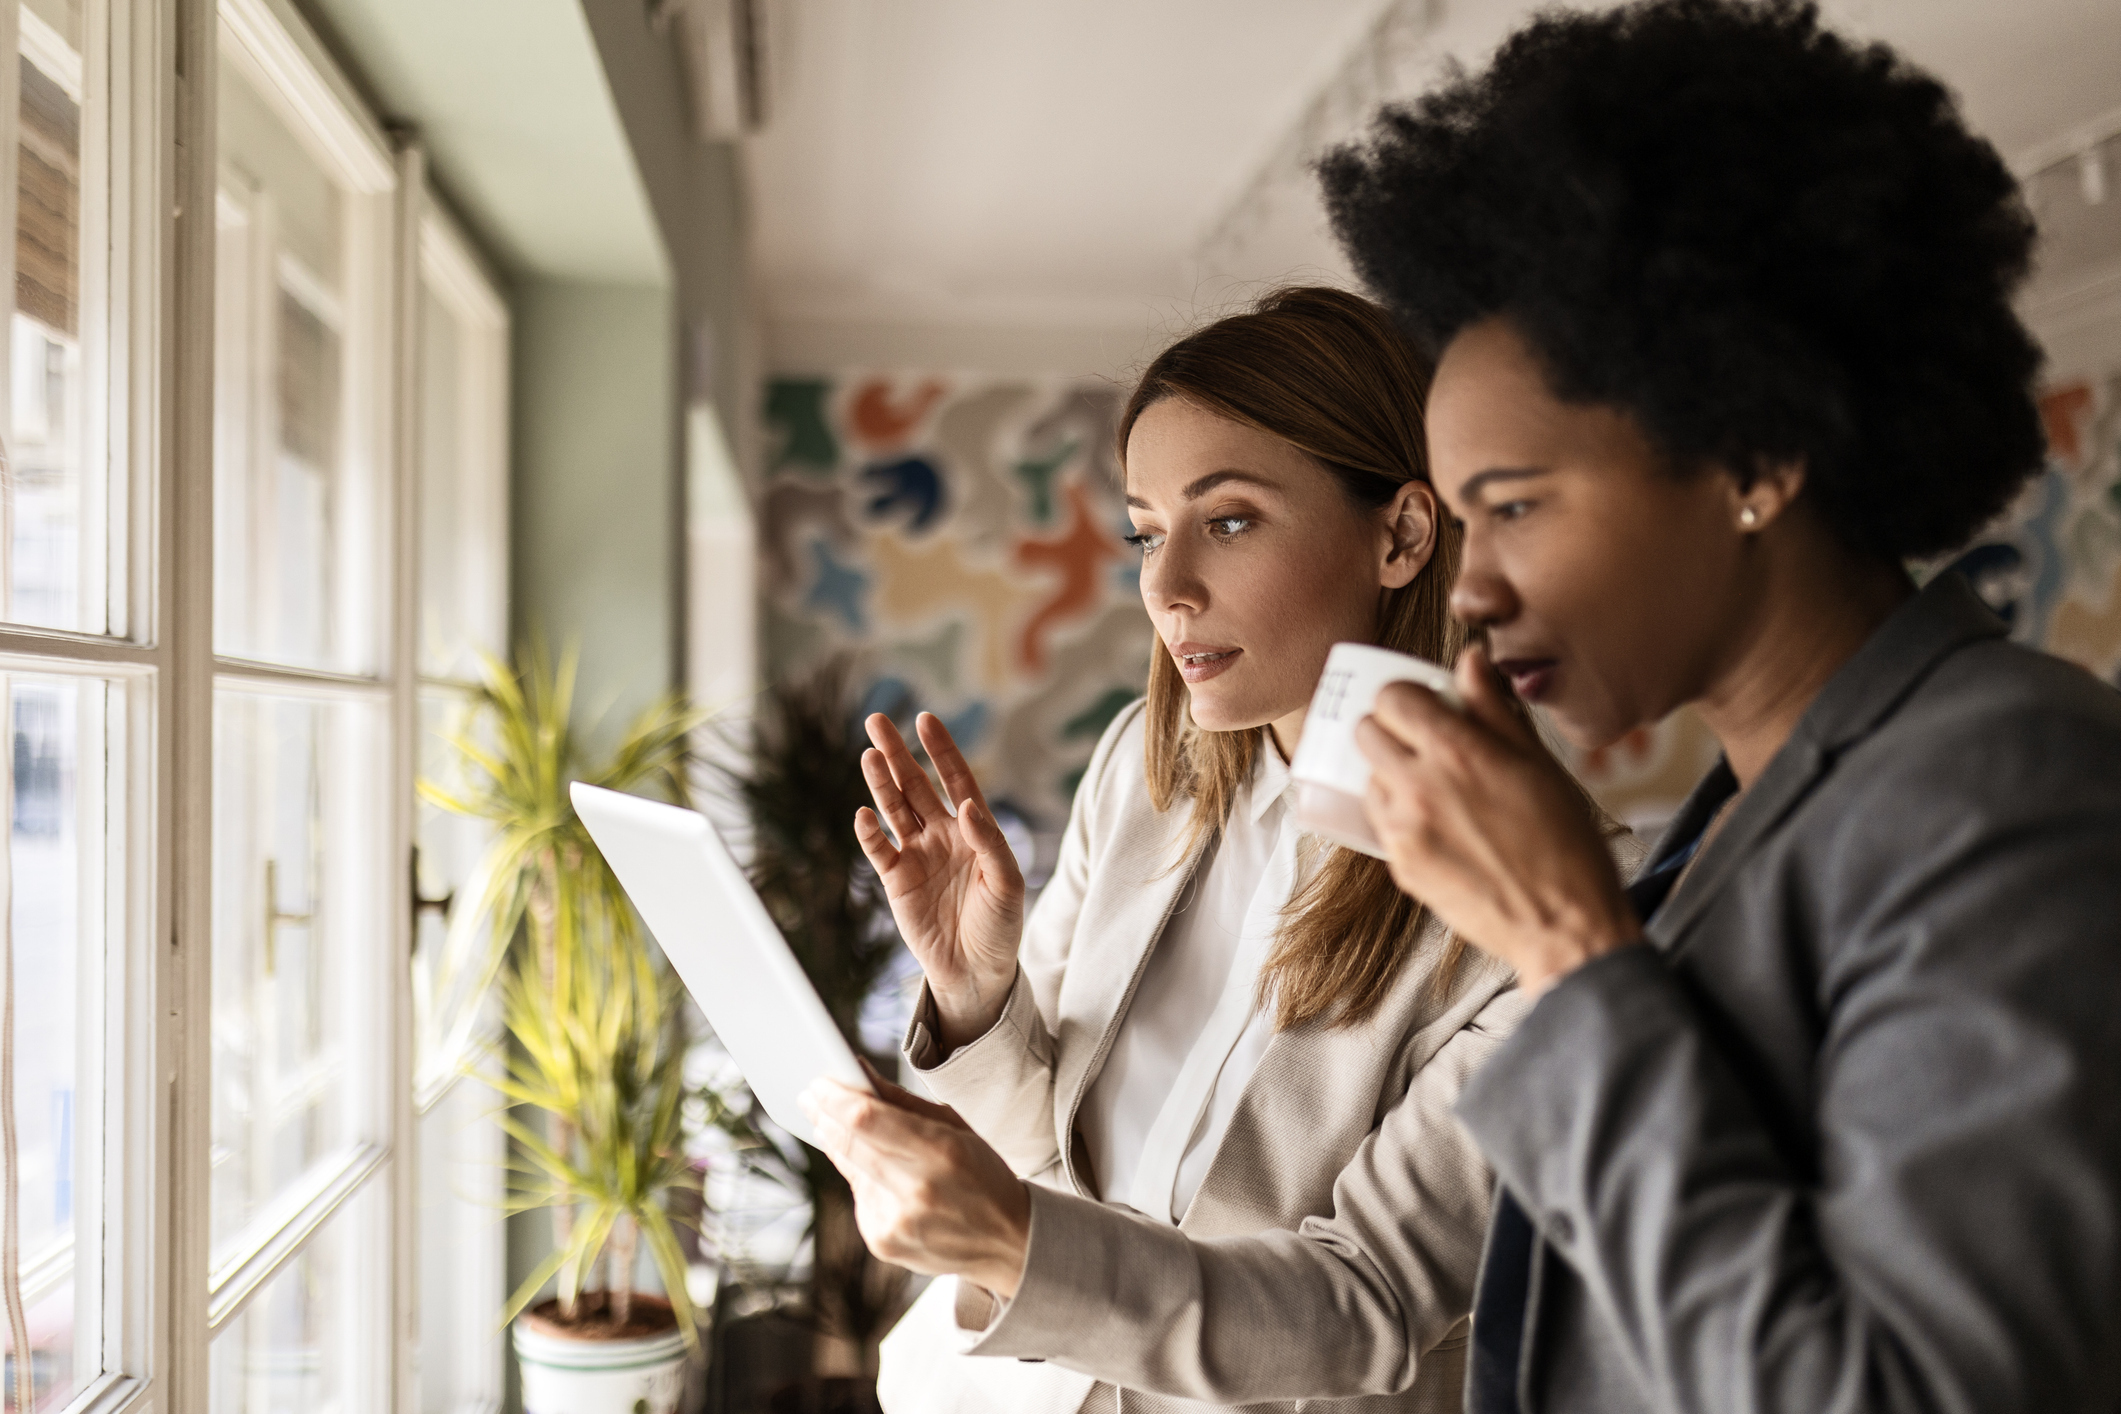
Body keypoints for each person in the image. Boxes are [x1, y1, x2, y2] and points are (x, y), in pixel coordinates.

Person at [1313, 1, 2121, 1410]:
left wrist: (1564, 949)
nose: (1468, 590)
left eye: (1512, 506)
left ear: (1752, 456)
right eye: (1456, 520)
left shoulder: (2010, 782)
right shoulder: (1735, 823)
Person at [800, 286, 1639, 1414]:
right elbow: (1042, 1161)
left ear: (1400, 535)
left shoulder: (1564, 899)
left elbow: (1370, 1308)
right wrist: (977, 998)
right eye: (1148, 529)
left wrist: (1016, 1248)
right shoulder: (1141, 772)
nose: (1164, 582)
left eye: (1228, 519)